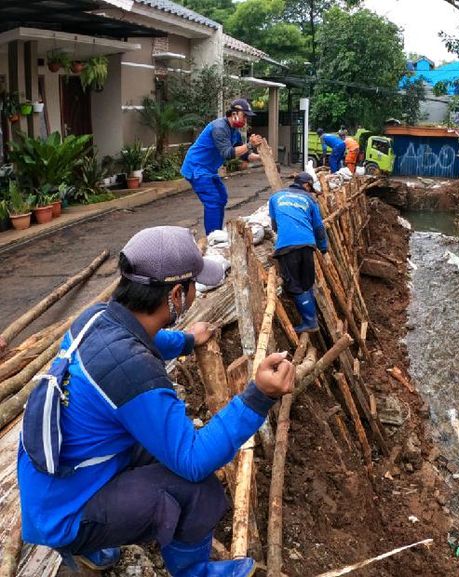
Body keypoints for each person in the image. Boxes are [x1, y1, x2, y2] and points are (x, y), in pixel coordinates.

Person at [17, 226, 295, 577]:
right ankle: (194, 572)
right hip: (64, 514)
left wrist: (184, 341)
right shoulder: (132, 372)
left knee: (152, 446)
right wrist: (258, 396)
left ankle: (91, 549)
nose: (196, 292)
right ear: (176, 295)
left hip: (51, 483)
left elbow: (141, 341)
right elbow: (193, 459)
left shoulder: (96, 318)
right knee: (198, 490)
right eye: (195, 285)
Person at [181, 99, 264, 236]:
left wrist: (261, 156)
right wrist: (249, 144)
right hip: (197, 168)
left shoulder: (234, 132)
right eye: (245, 116)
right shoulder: (219, 128)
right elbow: (228, 153)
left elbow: (243, 155)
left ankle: (217, 233)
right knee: (213, 200)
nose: (246, 120)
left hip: (209, 170)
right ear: (235, 113)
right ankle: (213, 238)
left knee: (221, 197)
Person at [268, 173, 328, 333]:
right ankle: (311, 318)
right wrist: (324, 249)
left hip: (287, 246)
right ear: (307, 185)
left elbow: (274, 224)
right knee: (306, 282)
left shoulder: (275, 197)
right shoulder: (310, 200)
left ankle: (310, 322)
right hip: (308, 244)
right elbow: (319, 228)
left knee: (294, 284)